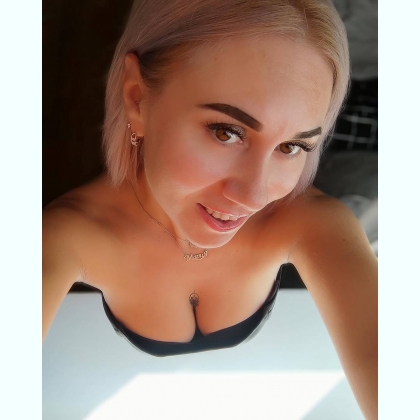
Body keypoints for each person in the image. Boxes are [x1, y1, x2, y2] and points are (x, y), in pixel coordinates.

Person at [42, 0, 377, 418]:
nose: (254, 197)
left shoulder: (311, 224)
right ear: (137, 98)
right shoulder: (63, 238)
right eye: (226, 132)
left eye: (292, 146)